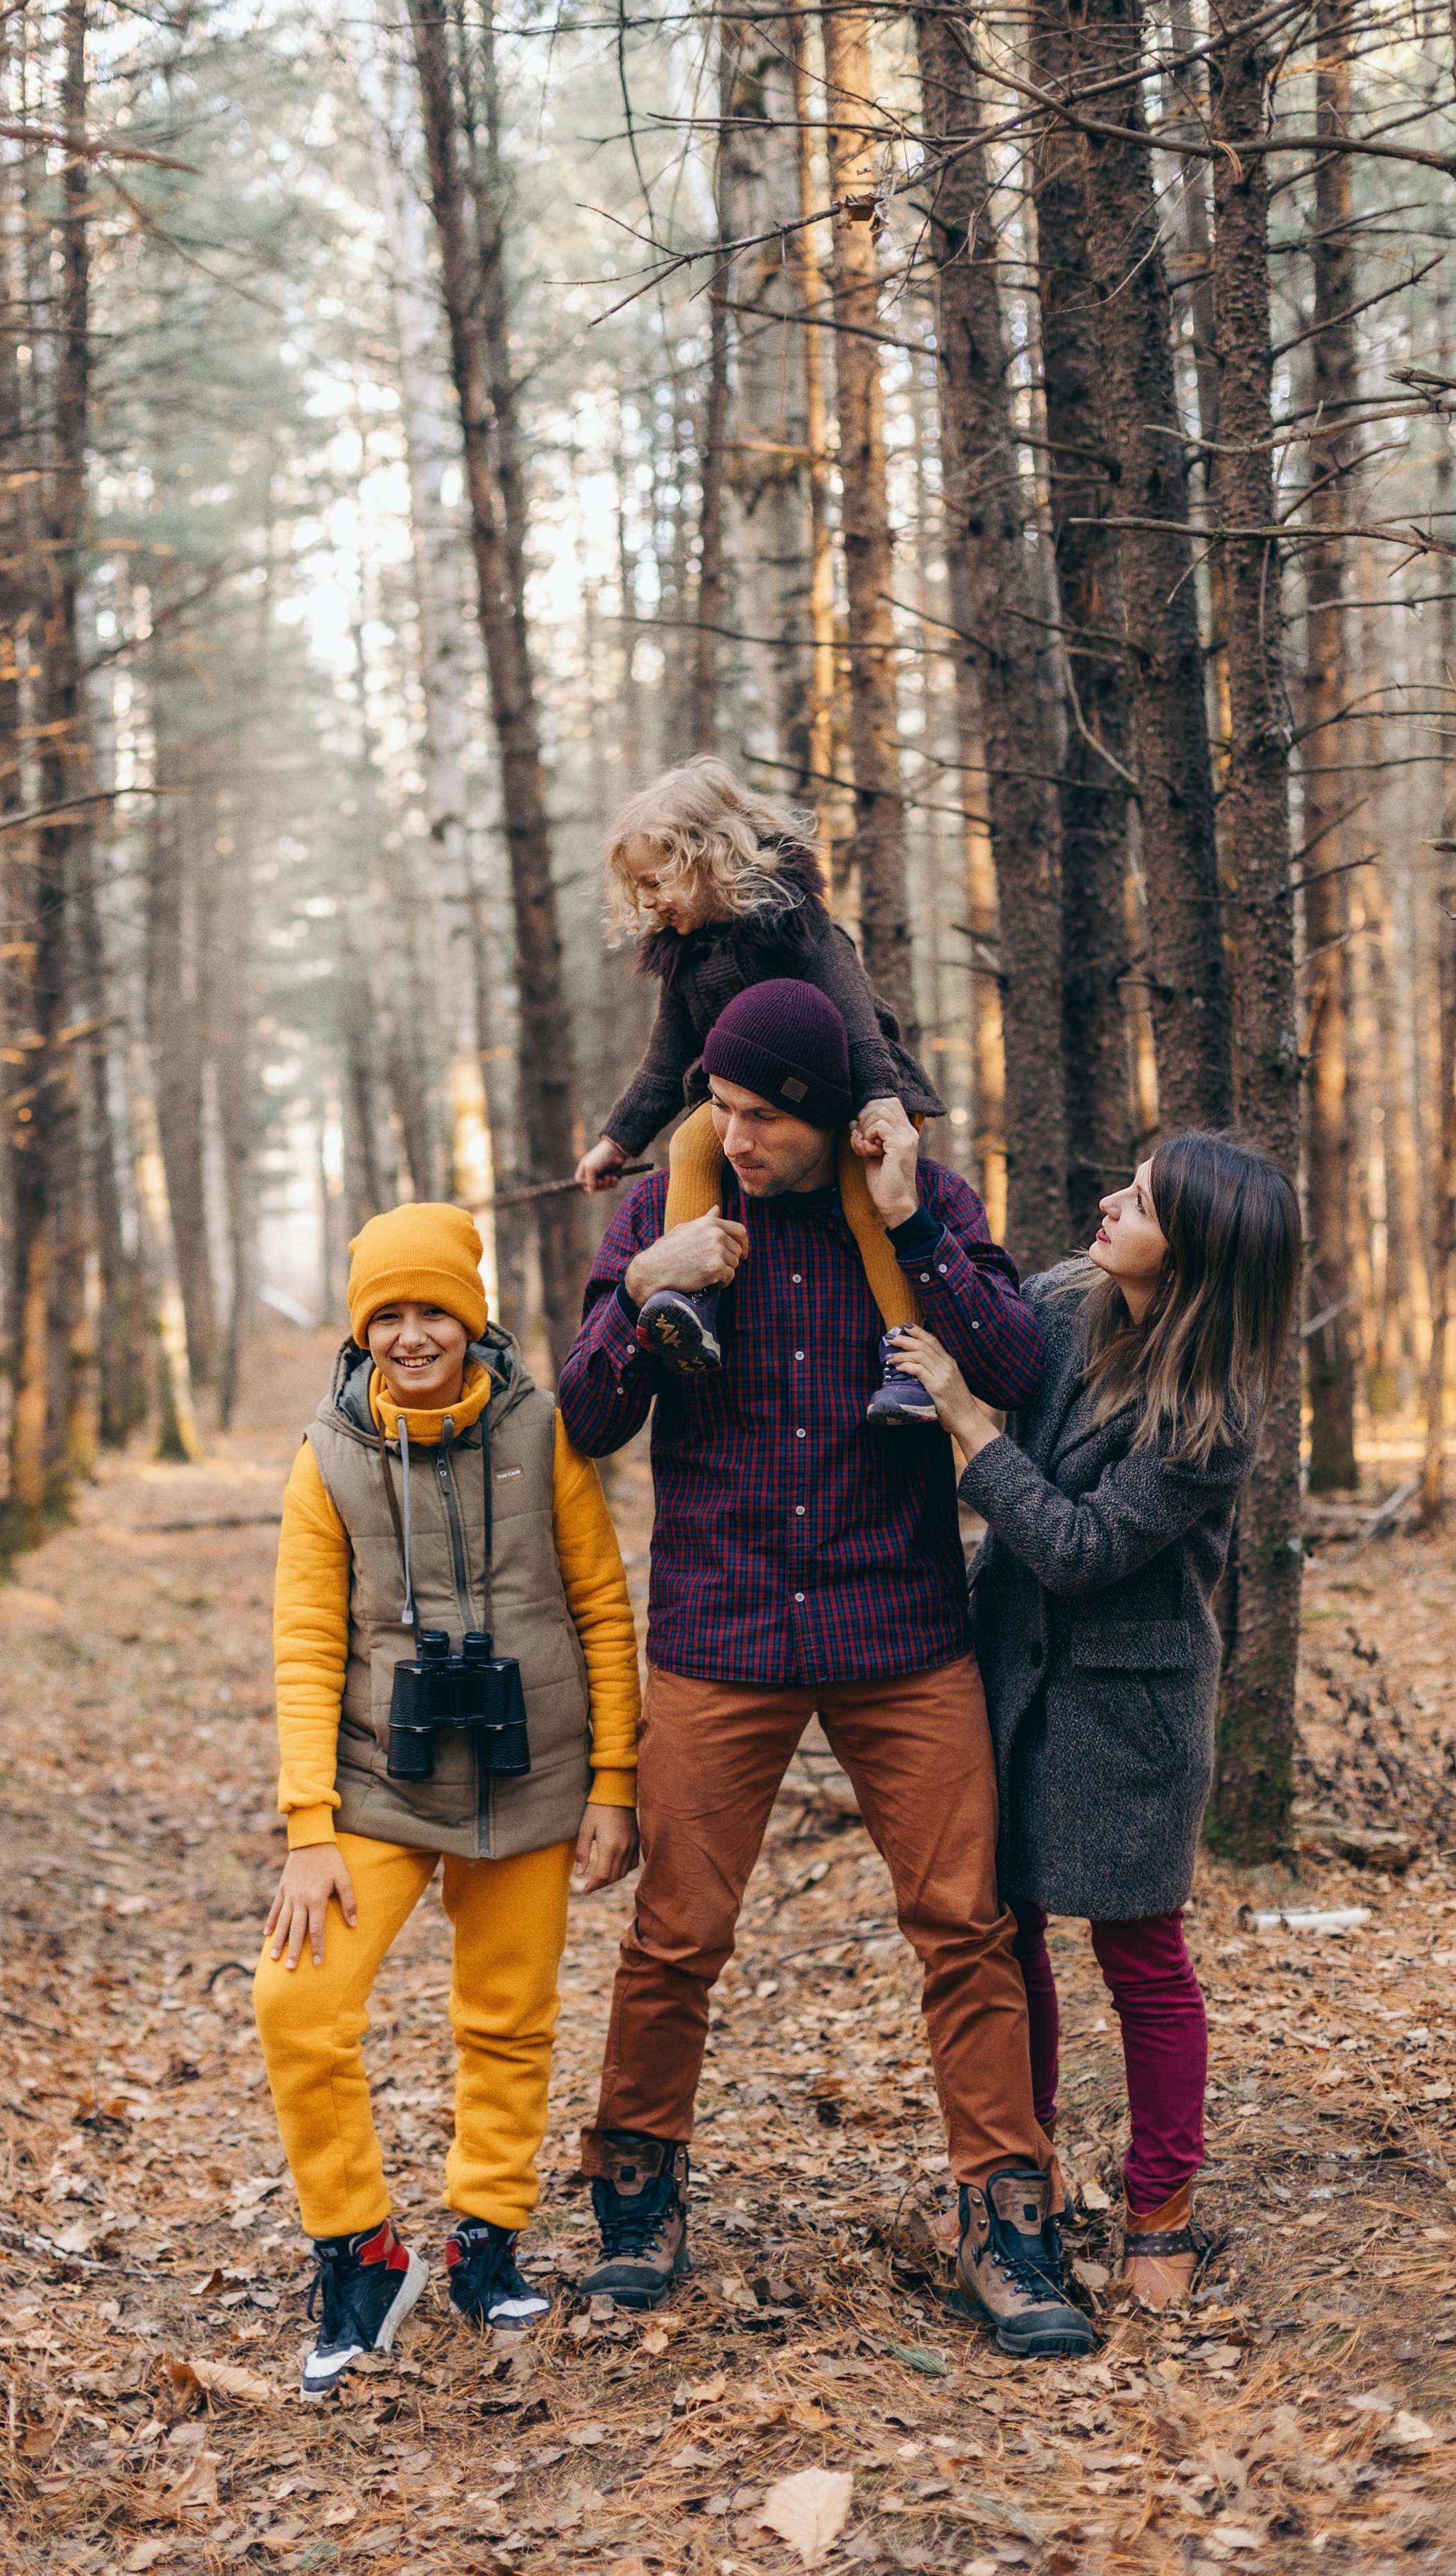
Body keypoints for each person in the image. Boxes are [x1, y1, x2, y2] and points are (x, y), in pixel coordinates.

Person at [559, 978, 1095, 2360]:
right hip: (718, 1630)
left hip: (896, 1626)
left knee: (964, 1932)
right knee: (674, 1935)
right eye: (719, 1109)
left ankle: (1007, 2223)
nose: (732, 1136)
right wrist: (640, 1285)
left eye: (758, 1116)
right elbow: (584, 1415)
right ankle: (634, 2197)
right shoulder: (666, 1209)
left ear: (815, 1111)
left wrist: (914, 1227)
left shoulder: (917, 1197)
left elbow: (1014, 1369)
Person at [887, 1133, 1300, 2308]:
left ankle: (1161, 2203)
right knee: (1008, 1937)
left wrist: (968, 1425)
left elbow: (1077, 1547)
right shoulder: (1069, 1303)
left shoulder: (1212, 1415)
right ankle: (1025, 2179)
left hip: (1131, 1713)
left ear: (1199, 1251)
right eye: (1126, 1179)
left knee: (1143, 1960)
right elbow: (969, 1307)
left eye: (1146, 1200)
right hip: (1007, 1674)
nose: (1109, 1200)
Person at [253, 1203, 642, 2394]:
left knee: (509, 2020)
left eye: (434, 1312)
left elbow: (602, 1607)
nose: (412, 1337)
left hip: (533, 1781)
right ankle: (361, 2250)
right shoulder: (329, 1453)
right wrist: (308, 1826)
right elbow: (308, 1639)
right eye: (389, 1316)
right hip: (380, 1784)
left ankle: (486, 2236)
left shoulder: (545, 1431)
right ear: (362, 1328)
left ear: (471, 1317)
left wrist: (615, 1783)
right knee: (296, 2005)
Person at [575, 758, 944, 1410]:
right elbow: (664, 1064)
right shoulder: (684, 957)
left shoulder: (797, 926)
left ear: (709, 858)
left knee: (866, 1196)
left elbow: (858, 1025)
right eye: (640, 890)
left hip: (851, 1084)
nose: (650, 901)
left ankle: (905, 1355)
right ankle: (690, 1308)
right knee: (691, 1147)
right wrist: (616, 1142)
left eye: (657, 882)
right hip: (743, 1103)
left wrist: (879, 1101)